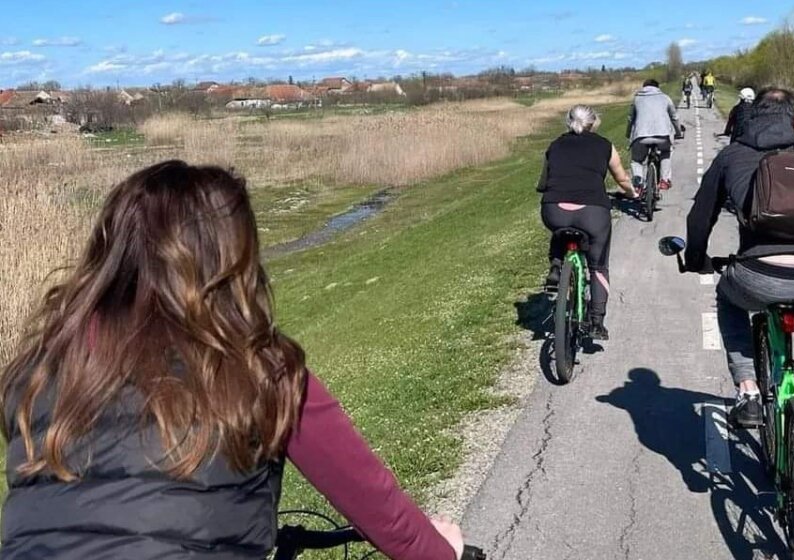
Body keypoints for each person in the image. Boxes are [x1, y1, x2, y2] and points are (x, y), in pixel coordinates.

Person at [0, 161, 465, 560]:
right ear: (232, 260)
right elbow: (375, 503)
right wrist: (441, 551)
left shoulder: (38, 369)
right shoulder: (262, 369)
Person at [684, 88, 794, 522]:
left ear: (749, 119)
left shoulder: (734, 154)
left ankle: (747, 389)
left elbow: (699, 217)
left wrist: (695, 260)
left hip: (758, 275)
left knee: (727, 300)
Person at [538, 105, 638, 340]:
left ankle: (556, 265)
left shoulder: (555, 145)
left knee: (560, 231)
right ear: (593, 123)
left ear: (568, 122)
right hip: (592, 212)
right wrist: (633, 194)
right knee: (598, 266)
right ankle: (596, 322)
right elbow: (622, 178)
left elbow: (543, 182)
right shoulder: (604, 145)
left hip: (554, 209)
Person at [626, 79, 682, 195]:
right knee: (665, 152)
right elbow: (674, 117)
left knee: (637, 160)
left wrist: (628, 134)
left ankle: (638, 183)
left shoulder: (637, 99)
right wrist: (678, 132)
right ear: (658, 87)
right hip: (663, 135)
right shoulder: (665, 98)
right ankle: (664, 180)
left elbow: (631, 119)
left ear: (644, 87)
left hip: (641, 136)